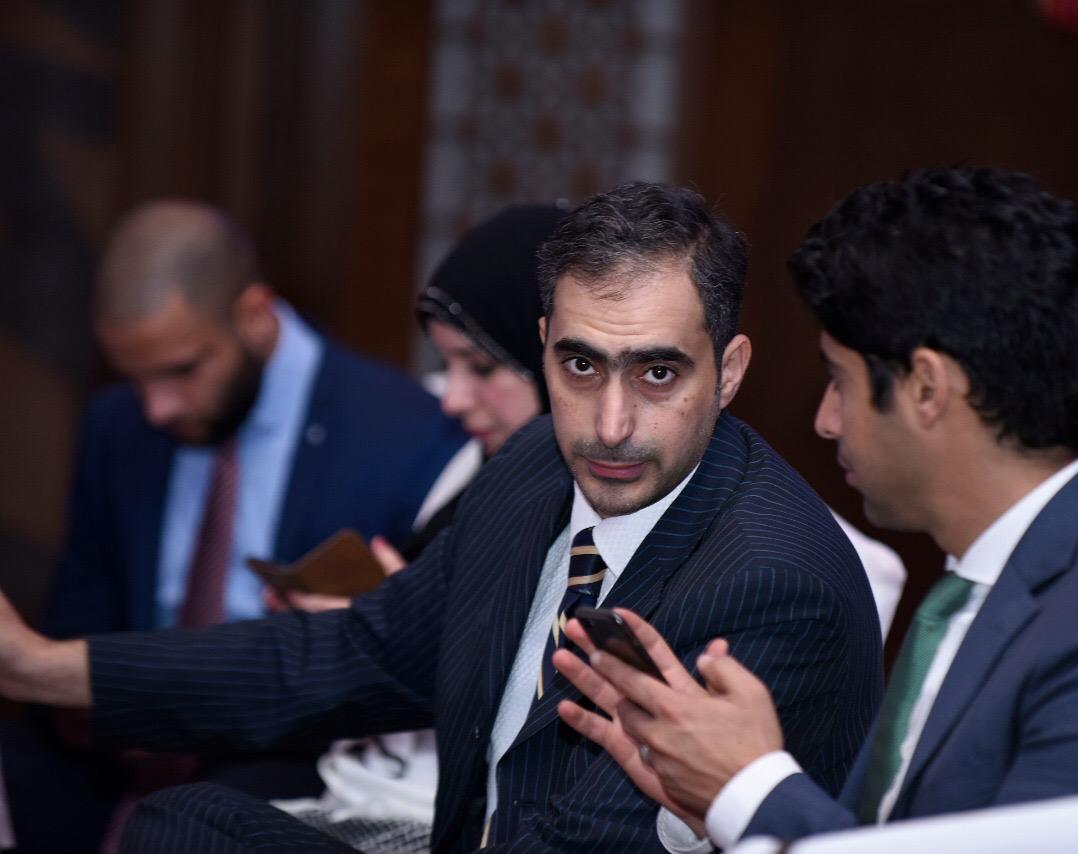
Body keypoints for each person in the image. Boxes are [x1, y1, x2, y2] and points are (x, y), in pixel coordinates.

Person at [0, 182, 883, 852]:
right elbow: (350, 653)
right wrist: (43, 668)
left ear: (728, 372)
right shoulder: (535, 466)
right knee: (183, 822)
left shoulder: (770, 580)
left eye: (657, 374)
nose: (610, 425)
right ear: (543, 346)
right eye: (580, 367)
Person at [553, 167, 1078, 853]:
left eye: (839, 380)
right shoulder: (982, 589)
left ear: (926, 388)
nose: (826, 420)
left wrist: (752, 791)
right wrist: (711, 805)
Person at [2, 200, 468, 851]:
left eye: (183, 371)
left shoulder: (407, 433)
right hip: (118, 738)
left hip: (295, 760)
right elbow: (82, 609)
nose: (158, 408)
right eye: (134, 378)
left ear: (254, 315)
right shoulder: (116, 425)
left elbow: (402, 676)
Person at [269, 202, 567, 851]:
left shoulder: (600, 506)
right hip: (367, 777)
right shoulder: (476, 466)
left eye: (480, 367)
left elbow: (536, 689)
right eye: (447, 365)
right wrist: (370, 611)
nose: (452, 398)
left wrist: (397, 628)